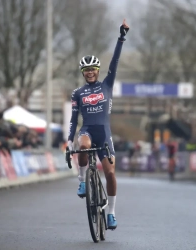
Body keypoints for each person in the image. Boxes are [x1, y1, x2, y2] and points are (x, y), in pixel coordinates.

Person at [67, 19, 129, 230]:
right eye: (86, 70)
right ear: (82, 73)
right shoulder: (78, 93)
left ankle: (111, 213)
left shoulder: (107, 85)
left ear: (98, 70)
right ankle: (82, 180)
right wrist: (68, 139)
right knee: (83, 145)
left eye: (93, 68)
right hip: (87, 131)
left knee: (110, 173)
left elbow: (115, 61)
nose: (90, 72)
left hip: (104, 133)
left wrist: (121, 38)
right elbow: (74, 118)